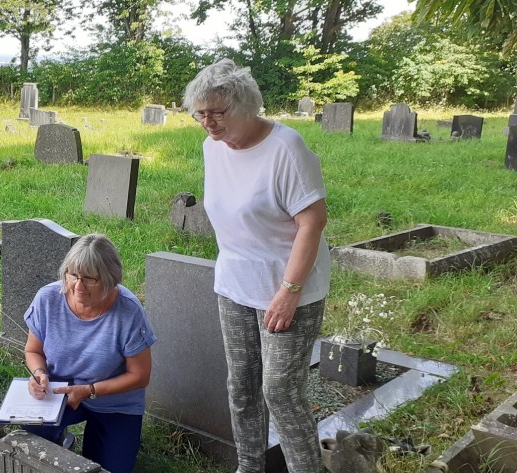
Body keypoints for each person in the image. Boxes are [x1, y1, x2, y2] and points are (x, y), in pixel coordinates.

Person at [182, 59, 331, 473]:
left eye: (218, 113)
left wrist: (288, 291)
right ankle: (249, 466)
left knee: (281, 390)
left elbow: (313, 221)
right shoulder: (212, 147)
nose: (208, 123)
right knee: (243, 387)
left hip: (288, 287)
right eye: (201, 114)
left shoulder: (286, 148)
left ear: (247, 105)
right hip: (234, 283)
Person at [22, 234, 156, 473]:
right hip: (60, 391)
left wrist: (89, 391)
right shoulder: (48, 298)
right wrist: (39, 373)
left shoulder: (128, 311)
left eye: (89, 279)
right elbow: (33, 350)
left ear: (110, 280)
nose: (77, 286)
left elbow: (140, 375)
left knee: (110, 469)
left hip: (115, 402)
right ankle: (59, 439)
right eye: (72, 275)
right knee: (30, 447)